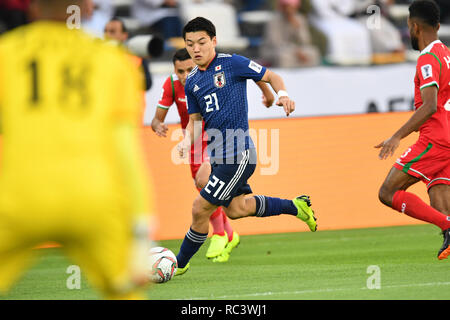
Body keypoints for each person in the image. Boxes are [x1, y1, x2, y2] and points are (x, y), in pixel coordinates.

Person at [0, 0, 153, 299]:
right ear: (86, 9)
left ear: (31, 8)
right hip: (92, 202)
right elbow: (127, 153)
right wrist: (141, 232)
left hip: (20, 199)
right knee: (125, 294)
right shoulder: (114, 62)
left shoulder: (5, 54)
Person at [174, 17, 318, 276]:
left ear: (214, 41)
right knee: (237, 209)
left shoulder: (232, 63)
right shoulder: (193, 81)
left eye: (202, 42)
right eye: (190, 44)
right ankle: (296, 206)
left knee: (199, 208)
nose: (196, 49)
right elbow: (196, 121)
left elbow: (270, 75)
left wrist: (280, 96)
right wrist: (185, 141)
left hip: (238, 154)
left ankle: (177, 264)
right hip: (219, 155)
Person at [151, 48, 276, 262]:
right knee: (203, 186)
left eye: (189, 69)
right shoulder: (172, 84)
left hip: (218, 139)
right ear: (174, 70)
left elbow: (254, 73)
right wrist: (157, 124)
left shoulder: (209, 74)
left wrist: (268, 93)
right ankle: (228, 233)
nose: (184, 75)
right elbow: (158, 117)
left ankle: (218, 233)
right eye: (180, 71)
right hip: (192, 141)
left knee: (204, 181)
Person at [376, 0, 450, 260]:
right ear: (438, 26)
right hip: (447, 136)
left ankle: (448, 227)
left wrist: (397, 136)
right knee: (439, 194)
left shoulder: (428, 58)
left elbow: (429, 106)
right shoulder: (447, 54)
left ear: (414, 26)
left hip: (435, 139)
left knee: (387, 192)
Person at [260, 0, 321, 68]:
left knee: (313, 52)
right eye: (287, 7)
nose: (289, 10)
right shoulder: (274, 20)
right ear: (282, 7)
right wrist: (295, 51)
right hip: (276, 50)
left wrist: (298, 28)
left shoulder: (300, 19)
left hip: (297, 51)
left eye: (292, 7)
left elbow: (305, 41)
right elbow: (276, 43)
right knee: (283, 56)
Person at [104, 17, 152, 91]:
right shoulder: (98, 56)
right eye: (105, 31)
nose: (107, 35)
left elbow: (147, 84)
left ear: (124, 35)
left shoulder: (136, 55)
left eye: (112, 31)